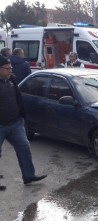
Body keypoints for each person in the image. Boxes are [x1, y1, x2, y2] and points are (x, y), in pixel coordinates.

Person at [0, 55, 47, 185]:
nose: (10, 70)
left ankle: (28, 175)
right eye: (7, 68)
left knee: (24, 147)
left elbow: (18, 98)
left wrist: (21, 117)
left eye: (11, 68)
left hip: (15, 123)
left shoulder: (12, 80)